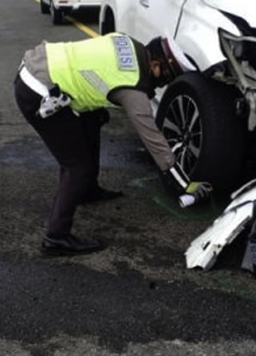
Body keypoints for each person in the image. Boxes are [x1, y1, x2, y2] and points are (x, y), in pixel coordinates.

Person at [14, 32, 209, 256]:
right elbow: (153, 139)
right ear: (154, 63)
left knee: (92, 121)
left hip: (40, 66)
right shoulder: (133, 86)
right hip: (38, 92)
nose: (163, 82)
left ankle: (87, 191)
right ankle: (56, 237)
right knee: (76, 168)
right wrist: (183, 185)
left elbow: (93, 68)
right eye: (165, 76)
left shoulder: (127, 42)